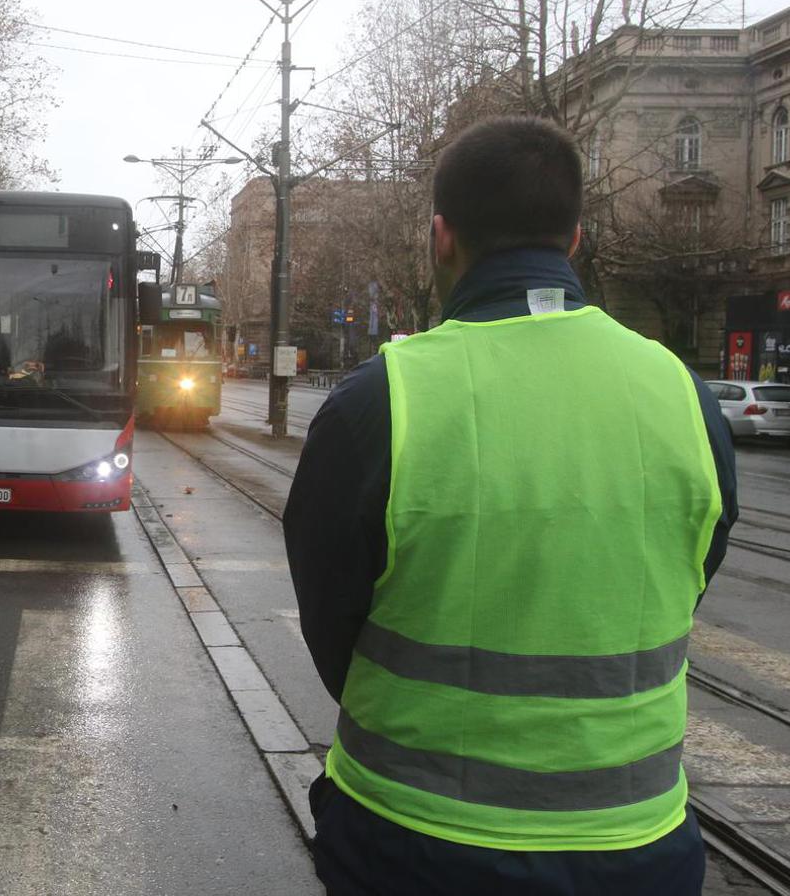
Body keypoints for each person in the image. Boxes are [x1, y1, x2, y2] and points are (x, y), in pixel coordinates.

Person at [284, 116, 738, 895]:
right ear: (576, 242)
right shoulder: (685, 395)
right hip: (637, 844)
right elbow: (694, 570)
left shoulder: (379, 403)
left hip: (414, 839)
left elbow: (332, 623)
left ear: (439, 238)